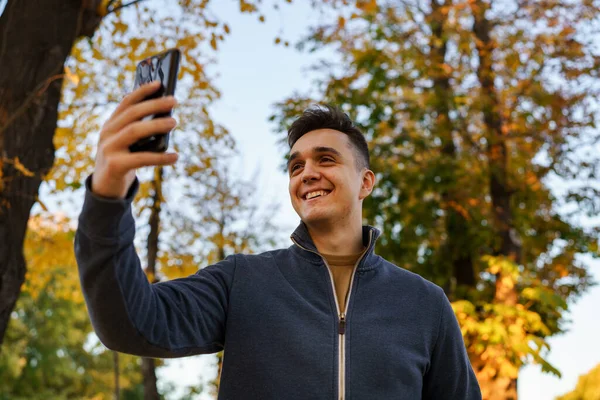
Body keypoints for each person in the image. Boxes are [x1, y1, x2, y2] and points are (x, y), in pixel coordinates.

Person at [74, 81, 482, 400]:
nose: (306, 173)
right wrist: (107, 198)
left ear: (365, 182)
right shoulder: (242, 281)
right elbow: (132, 323)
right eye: (296, 166)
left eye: (326, 159)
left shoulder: (424, 303)